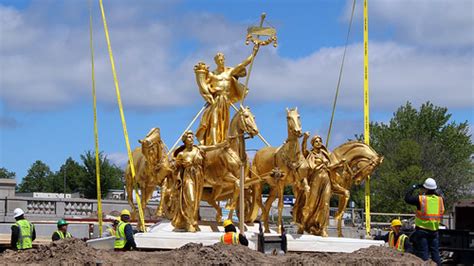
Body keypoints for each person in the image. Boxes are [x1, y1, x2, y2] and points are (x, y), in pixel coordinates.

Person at [194, 45, 259, 145]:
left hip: (226, 100)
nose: (221, 61)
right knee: (214, 121)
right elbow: (204, 85)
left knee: (224, 123)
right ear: (216, 62)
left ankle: (223, 140)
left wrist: (253, 54)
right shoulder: (212, 74)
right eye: (219, 60)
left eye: (222, 60)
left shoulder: (229, 72)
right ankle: (215, 143)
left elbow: (242, 65)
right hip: (216, 99)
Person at [171, 131, 227, 232]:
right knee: (190, 199)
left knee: (196, 202)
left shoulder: (199, 149)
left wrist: (225, 143)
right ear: (184, 140)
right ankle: (189, 222)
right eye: (188, 137)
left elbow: (213, 147)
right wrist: (177, 165)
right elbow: (175, 168)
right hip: (188, 177)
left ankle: (193, 221)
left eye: (192, 136)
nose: (191, 138)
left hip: (199, 177)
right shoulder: (181, 154)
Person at [405, 178, 445, 265]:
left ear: (425, 188)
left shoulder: (421, 199)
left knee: (424, 255)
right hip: (434, 231)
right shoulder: (440, 200)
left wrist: (413, 187)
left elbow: (407, 198)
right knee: (435, 254)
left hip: (422, 231)